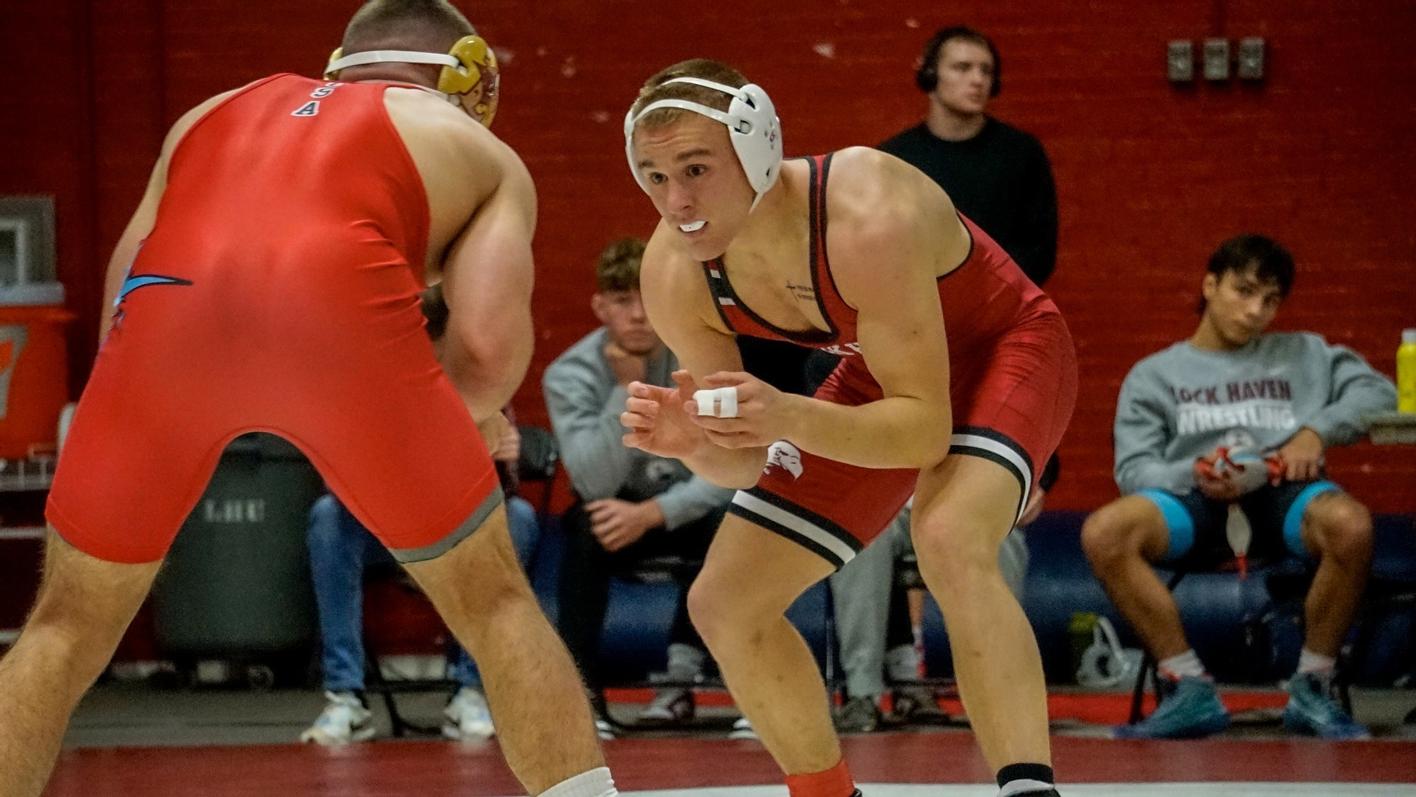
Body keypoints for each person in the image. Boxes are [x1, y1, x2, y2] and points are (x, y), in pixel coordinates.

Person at [0, 2, 616, 795]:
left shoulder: (206, 114)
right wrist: (457, 417)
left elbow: (127, 292)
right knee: (495, 606)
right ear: (470, 73)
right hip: (342, 324)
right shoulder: (474, 147)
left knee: (62, 627)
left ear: (342, 60)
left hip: (165, 329)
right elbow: (489, 354)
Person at [620, 59, 1077, 797]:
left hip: (1006, 348)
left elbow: (925, 434)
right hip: (883, 376)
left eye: (696, 168)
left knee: (949, 535)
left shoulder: (864, 210)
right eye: (653, 175)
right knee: (724, 602)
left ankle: (1030, 790)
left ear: (758, 148)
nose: (678, 201)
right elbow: (745, 464)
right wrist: (701, 445)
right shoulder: (674, 272)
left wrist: (785, 414)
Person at [1081, 234, 1393, 741]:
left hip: (1281, 496)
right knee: (1105, 532)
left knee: (1350, 523)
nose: (1256, 311)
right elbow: (1134, 471)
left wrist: (1314, 433)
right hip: (1195, 505)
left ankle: (1313, 686)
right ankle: (1187, 687)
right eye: (1243, 291)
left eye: (1270, 300)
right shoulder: (1155, 374)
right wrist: (1195, 475)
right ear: (1209, 284)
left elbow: (1379, 392)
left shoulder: (1306, 353)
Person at [301, 286, 543, 745]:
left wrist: (506, 452)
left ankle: (472, 688)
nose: (435, 370)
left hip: (462, 526)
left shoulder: (480, 383)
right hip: (385, 530)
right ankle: (345, 697)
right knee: (328, 518)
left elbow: (505, 487)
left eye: (443, 360)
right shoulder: (366, 385)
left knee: (521, 518)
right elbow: (341, 482)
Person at [543, 238, 732, 730]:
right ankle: (581, 701)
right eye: (623, 301)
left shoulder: (698, 357)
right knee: (584, 526)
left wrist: (654, 513)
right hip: (614, 518)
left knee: (737, 520)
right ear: (600, 307)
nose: (639, 315)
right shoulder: (569, 374)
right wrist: (625, 392)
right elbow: (590, 481)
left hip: (683, 509)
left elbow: (730, 475)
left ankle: (687, 681)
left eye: (647, 297)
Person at [878, 25, 1057, 286]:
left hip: (1002, 311)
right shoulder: (894, 158)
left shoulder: (1021, 153)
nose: (978, 80)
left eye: (986, 70)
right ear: (930, 75)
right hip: (921, 310)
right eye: (962, 68)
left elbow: (1039, 251)